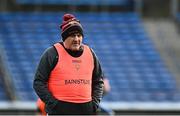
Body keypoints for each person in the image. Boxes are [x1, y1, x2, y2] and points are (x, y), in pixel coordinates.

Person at [33, 13, 104, 115]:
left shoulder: (90, 53)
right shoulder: (52, 53)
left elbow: (98, 81)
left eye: (79, 35)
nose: (76, 39)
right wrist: (54, 104)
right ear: (64, 38)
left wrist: (94, 104)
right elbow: (38, 82)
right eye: (72, 35)